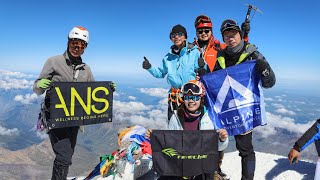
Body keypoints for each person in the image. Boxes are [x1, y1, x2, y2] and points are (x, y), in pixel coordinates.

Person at [33, 26, 115, 180]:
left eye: (82, 45)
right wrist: (40, 85)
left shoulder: (86, 69)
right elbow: (37, 88)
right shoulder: (53, 62)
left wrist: (107, 90)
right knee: (64, 157)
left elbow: (93, 93)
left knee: (67, 155)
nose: (77, 48)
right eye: (74, 43)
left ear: (85, 48)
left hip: (74, 120)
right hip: (55, 117)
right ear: (68, 42)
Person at [214, 19, 276, 180]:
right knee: (214, 144)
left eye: (233, 34)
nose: (230, 38)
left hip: (244, 109)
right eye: (226, 35)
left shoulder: (252, 54)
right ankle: (212, 173)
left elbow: (270, 82)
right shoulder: (221, 56)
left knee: (245, 149)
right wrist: (204, 74)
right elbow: (214, 83)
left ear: (240, 35)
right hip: (225, 109)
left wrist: (265, 71)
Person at [193, 15, 250, 180]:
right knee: (196, 133)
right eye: (200, 30)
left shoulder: (219, 47)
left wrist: (245, 34)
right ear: (196, 32)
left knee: (215, 134)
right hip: (195, 97)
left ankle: (215, 169)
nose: (204, 33)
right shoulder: (190, 48)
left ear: (211, 31)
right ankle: (195, 167)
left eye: (207, 30)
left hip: (215, 96)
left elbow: (238, 47)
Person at [146, 80, 229, 180]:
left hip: (202, 167)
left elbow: (218, 148)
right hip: (180, 165)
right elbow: (170, 143)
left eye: (195, 97)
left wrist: (222, 139)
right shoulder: (176, 117)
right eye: (188, 97)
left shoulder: (210, 117)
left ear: (201, 98)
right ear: (183, 98)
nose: (191, 101)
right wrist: (154, 138)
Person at [142, 24, 200, 123]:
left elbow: (202, 71)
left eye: (180, 34)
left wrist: (203, 68)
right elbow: (160, 73)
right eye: (173, 35)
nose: (176, 37)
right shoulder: (168, 57)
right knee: (174, 127)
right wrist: (150, 68)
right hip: (175, 98)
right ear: (171, 38)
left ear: (185, 36)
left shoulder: (194, 52)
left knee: (192, 127)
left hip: (191, 96)